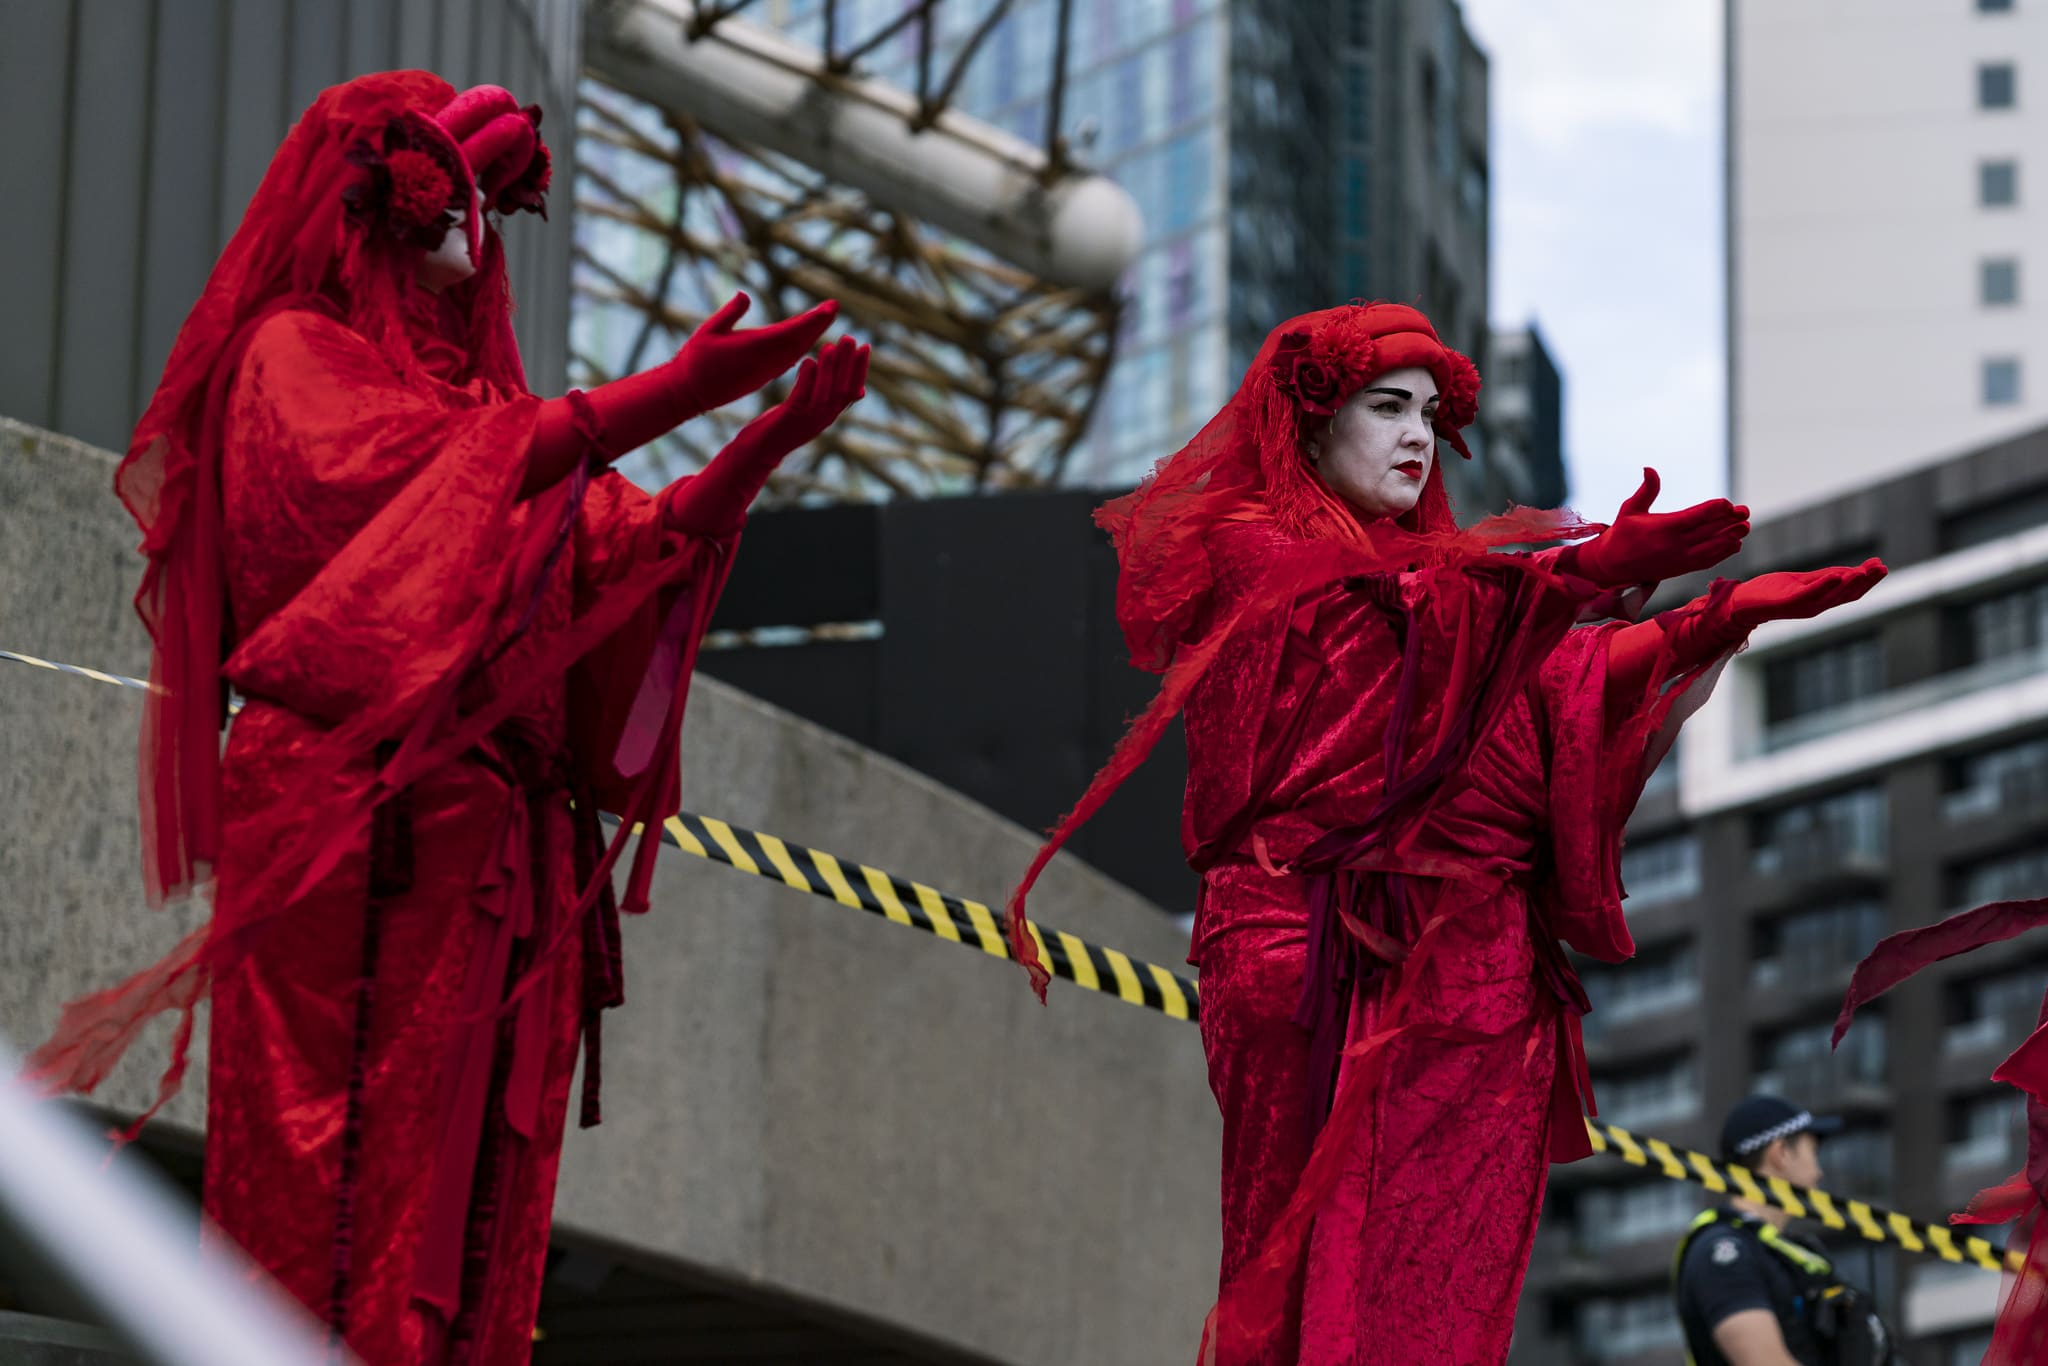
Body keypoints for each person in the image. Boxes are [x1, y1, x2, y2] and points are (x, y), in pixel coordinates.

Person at [26, 71, 867, 1364]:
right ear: (391, 202)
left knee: (464, 1186)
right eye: (464, 187)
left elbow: (613, 549)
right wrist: (673, 393)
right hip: (358, 829)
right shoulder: (294, 361)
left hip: (484, 853)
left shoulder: (484, 411)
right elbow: (412, 485)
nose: (484, 229)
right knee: (336, 1177)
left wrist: (754, 447)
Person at [1003, 302, 1887, 1364]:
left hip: (1471, 983)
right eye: (1386, 408)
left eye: (1428, 412)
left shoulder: (1452, 586)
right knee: (1298, 1288)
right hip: (1310, 956)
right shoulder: (1258, 552)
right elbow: (1407, 640)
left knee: (1438, 1309)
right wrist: (1586, 570)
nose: (1417, 436)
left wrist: (1709, 621)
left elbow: (1547, 687)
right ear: (1310, 424)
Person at [1674, 1095, 1897, 1366]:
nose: (1819, 1173)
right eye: (1812, 1152)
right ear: (1781, 1153)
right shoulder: (1724, 1253)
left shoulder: (1790, 1255)